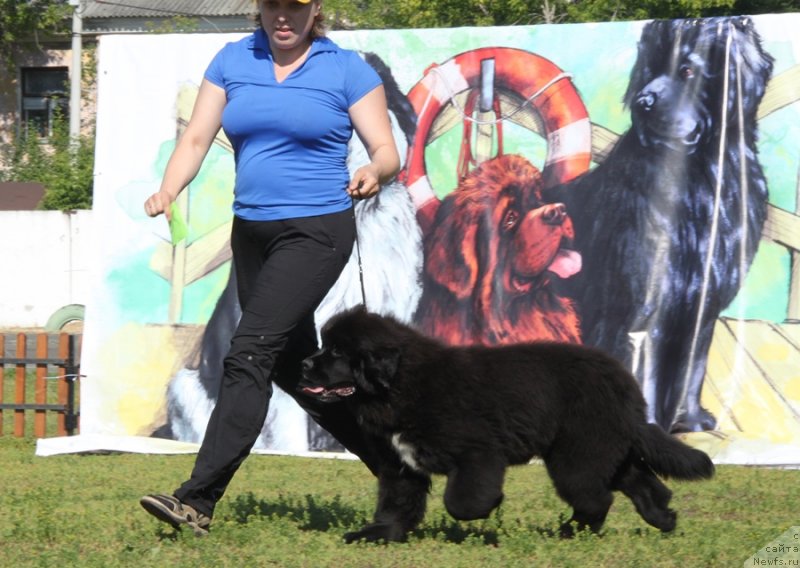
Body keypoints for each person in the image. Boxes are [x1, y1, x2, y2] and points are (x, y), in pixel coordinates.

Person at [139, 0, 408, 536]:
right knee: (295, 369)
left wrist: (374, 170)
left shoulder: (345, 69)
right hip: (253, 234)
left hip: (316, 233)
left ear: (315, 11)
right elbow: (195, 139)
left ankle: (197, 500)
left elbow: (386, 149)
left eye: (295, 6)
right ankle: (400, 464)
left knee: (249, 354)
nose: (283, 16)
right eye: (272, 5)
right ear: (259, 8)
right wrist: (169, 188)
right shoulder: (232, 60)